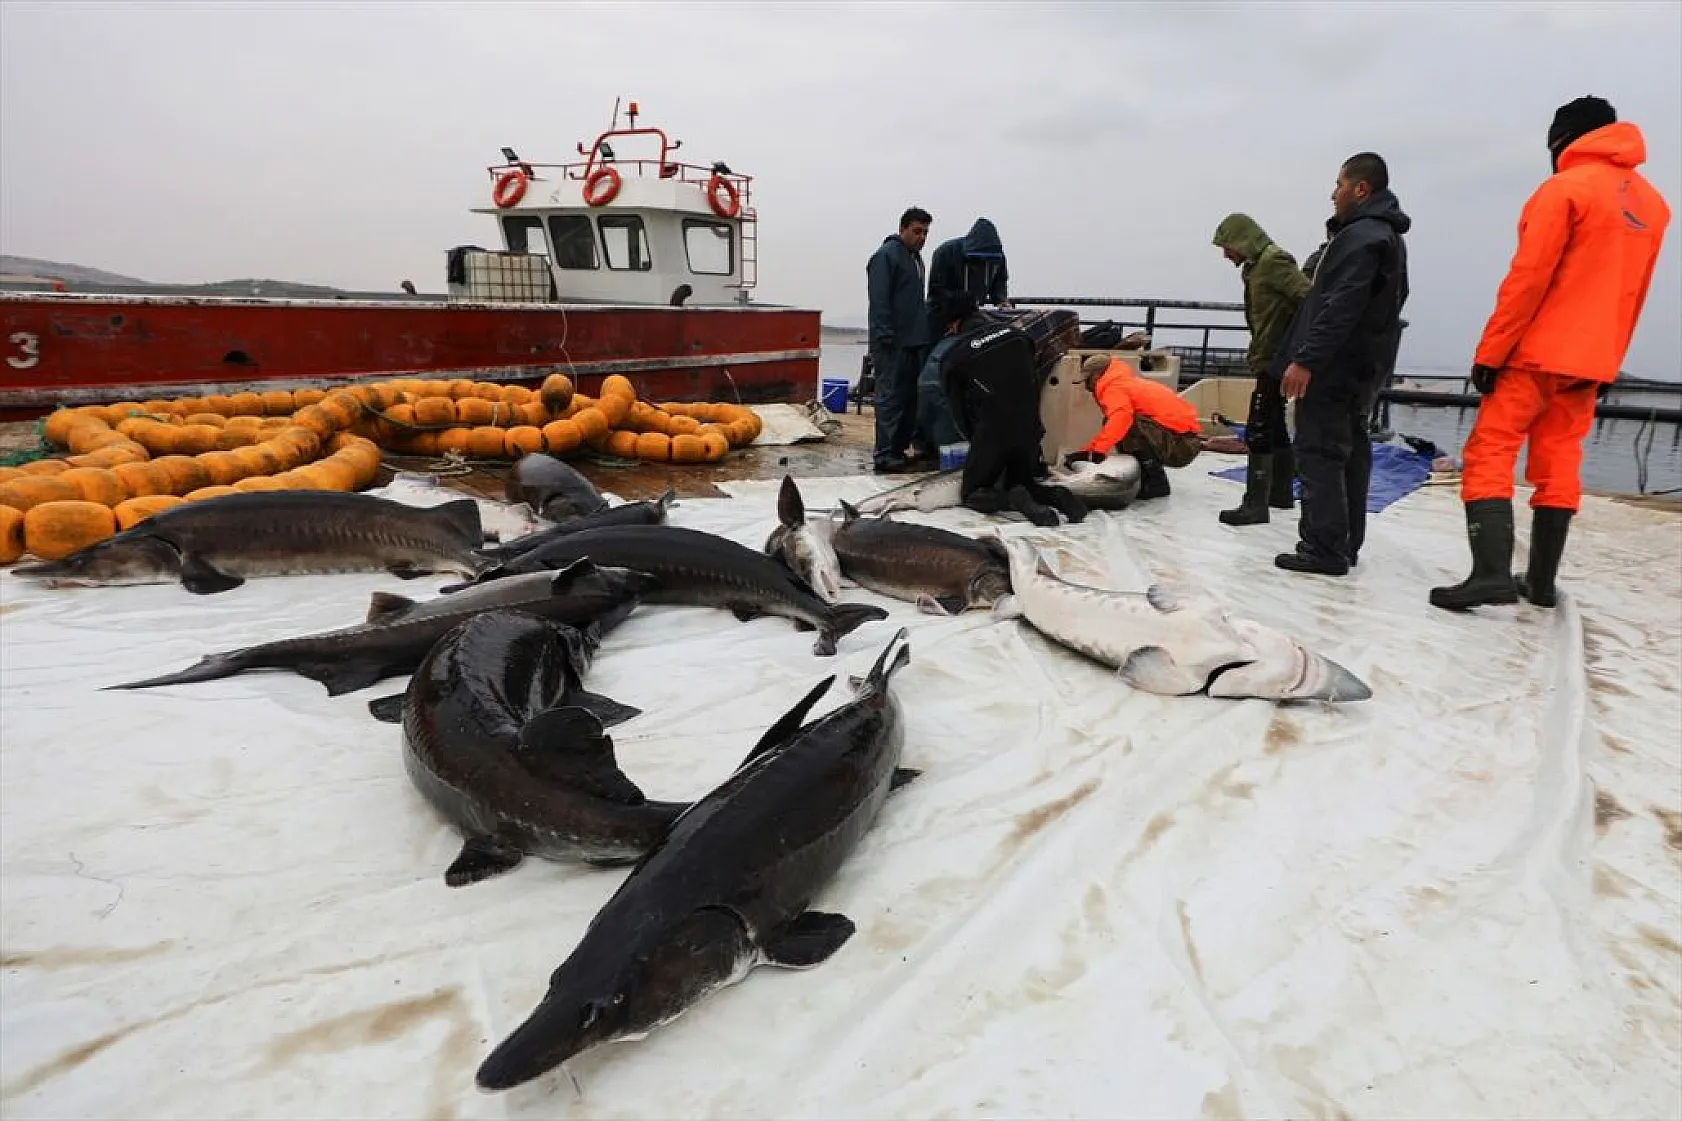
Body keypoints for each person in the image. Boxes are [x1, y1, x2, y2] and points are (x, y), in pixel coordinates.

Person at [1430, 96, 1671, 612]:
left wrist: (1491, 353)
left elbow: (1527, 281)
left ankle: (1491, 573)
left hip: (1534, 354)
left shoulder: (1563, 190)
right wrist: (1607, 360)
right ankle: (1539, 584)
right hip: (1590, 364)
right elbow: (1637, 293)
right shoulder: (1653, 205)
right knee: (1560, 462)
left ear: (1563, 140)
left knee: (1490, 452)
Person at [1275, 152, 1411, 576]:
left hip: (1334, 368)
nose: (1332, 195)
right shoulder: (1387, 238)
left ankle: (1323, 547)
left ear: (1360, 188)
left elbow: (1341, 305)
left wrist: (1305, 359)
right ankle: (1345, 543)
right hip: (1362, 368)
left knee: (1318, 451)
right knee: (1351, 453)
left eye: (1338, 185)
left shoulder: (1362, 237)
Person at [938, 293, 1088, 527]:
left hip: (994, 433)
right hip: (1030, 429)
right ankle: (1055, 496)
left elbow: (959, 414)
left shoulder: (954, 358)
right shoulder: (1020, 337)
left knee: (972, 494)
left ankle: (1014, 500)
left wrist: (978, 444)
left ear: (953, 324)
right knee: (1023, 482)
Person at [1210, 212, 1312, 526]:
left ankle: (1255, 504)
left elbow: (1309, 299)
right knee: (1275, 422)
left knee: (1258, 425)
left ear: (1242, 239)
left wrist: (1298, 353)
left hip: (1277, 358)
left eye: (1226, 246)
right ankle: (1279, 494)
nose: (1226, 254)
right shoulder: (1253, 268)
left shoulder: (1274, 261)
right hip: (1267, 355)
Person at [1063, 354, 1202, 500]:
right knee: (1120, 422)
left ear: (1097, 375)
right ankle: (1147, 477)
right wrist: (1088, 451)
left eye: (1087, 380)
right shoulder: (1123, 383)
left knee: (1130, 424)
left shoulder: (1114, 388)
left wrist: (1097, 452)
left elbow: (1121, 419)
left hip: (1181, 447)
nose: (1086, 386)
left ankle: (1156, 482)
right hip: (1182, 441)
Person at [866, 206, 933, 474]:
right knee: (890, 398)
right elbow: (879, 300)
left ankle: (898, 449)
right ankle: (884, 454)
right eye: (917, 231)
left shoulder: (916, 260)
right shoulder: (885, 257)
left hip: (914, 340)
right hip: (891, 343)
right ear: (902, 229)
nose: (922, 237)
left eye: (926, 233)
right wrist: (884, 335)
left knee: (909, 399)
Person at [1301, 217, 1340, 282]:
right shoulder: (1318, 257)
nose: (1334, 234)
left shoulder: (1355, 252)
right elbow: (1305, 277)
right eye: (1332, 230)